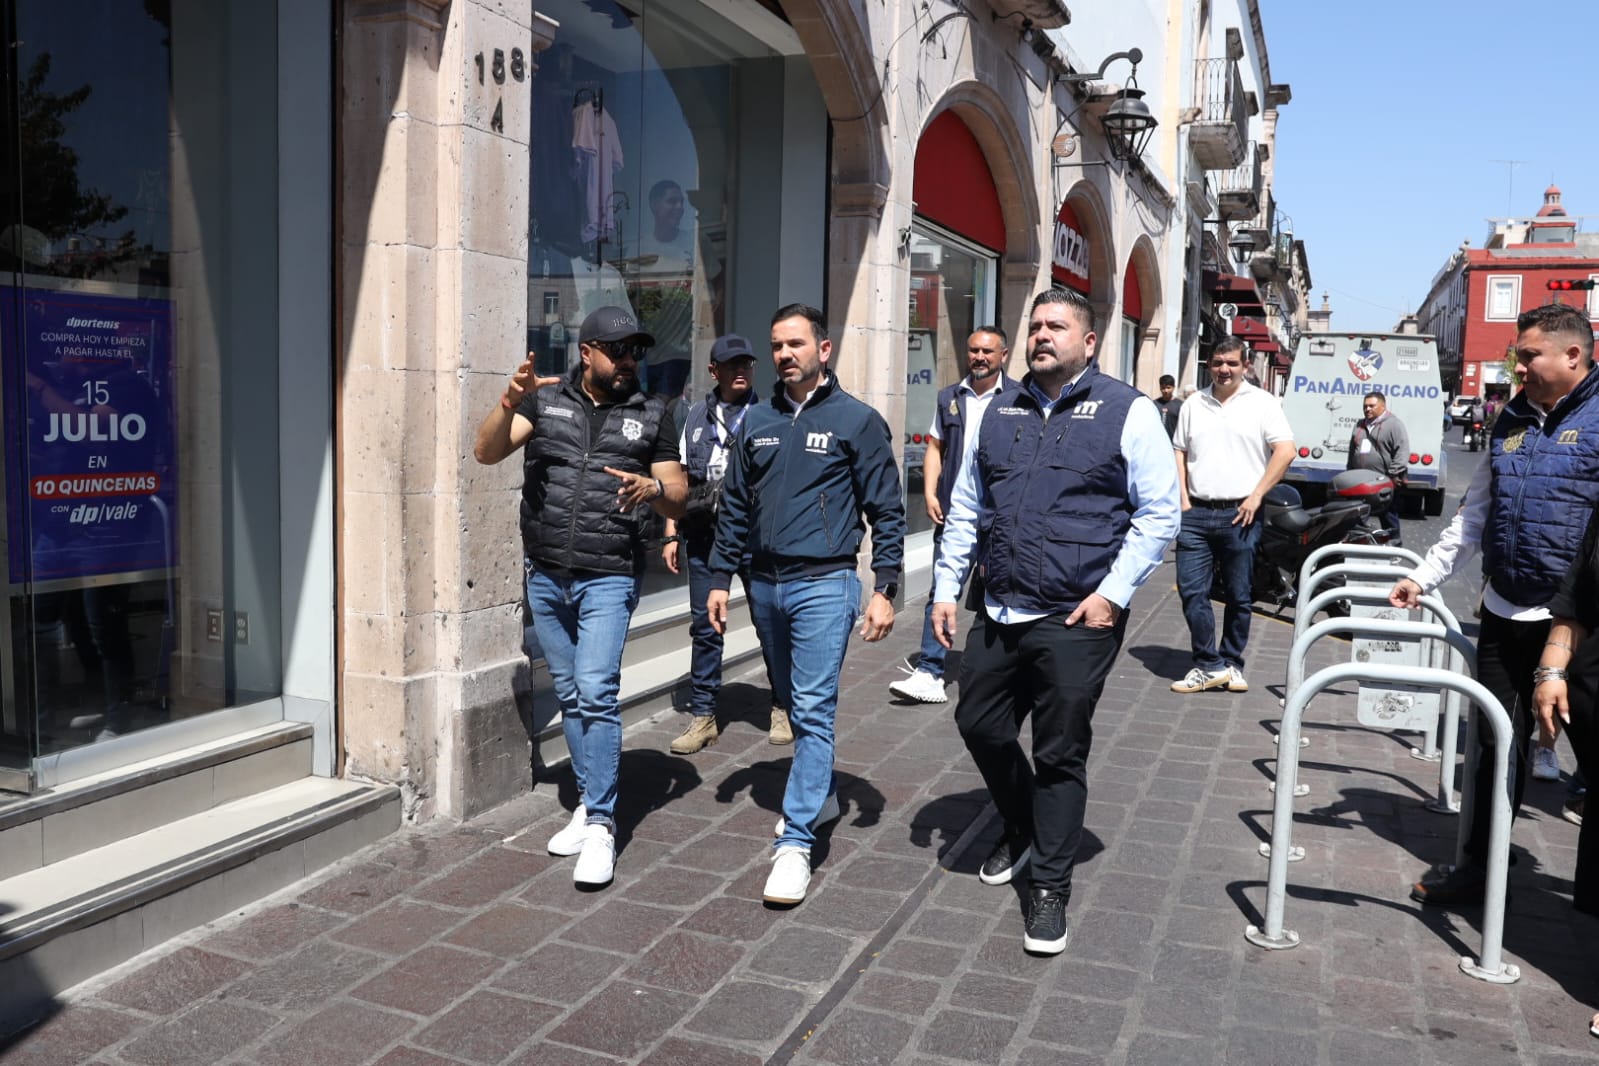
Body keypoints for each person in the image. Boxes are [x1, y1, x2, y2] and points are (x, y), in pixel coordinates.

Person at [931, 288, 1180, 955]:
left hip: (1075, 613)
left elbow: (1159, 512)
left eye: (1057, 326)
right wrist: (946, 588)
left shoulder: (1127, 410)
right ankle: (1023, 825)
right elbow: (967, 505)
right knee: (978, 723)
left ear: (1089, 341)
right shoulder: (999, 409)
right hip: (1000, 603)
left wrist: (1112, 595)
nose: (1041, 335)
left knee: (1058, 751)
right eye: (1035, 325)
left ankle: (1048, 886)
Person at [1393, 302, 1599, 907]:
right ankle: (1481, 864)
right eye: (1518, 355)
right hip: (1506, 610)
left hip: (1581, 625)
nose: (1519, 366)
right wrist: (1424, 576)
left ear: (1573, 355)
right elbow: (1475, 512)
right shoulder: (1510, 416)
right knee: (1491, 745)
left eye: (1530, 355)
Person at [473, 306, 686, 888]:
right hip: (546, 575)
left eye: (634, 351)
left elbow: (678, 495)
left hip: (610, 574)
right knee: (569, 694)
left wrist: (654, 489)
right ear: (586, 352)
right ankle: (590, 802)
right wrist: (509, 401)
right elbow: (486, 452)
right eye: (616, 351)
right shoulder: (544, 403)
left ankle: (601, 825)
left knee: (595, 691)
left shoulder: (654, 413)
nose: (628, 361)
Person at [707, 303, 905, 906]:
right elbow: (734, 504)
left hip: (825, 581)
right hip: (763, 584)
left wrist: (885, 587)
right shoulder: (758, 421)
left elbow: (887, 509)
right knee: (793, 702)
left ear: (823, 349)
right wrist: (719, 577)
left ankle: (795, 843)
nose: (784, 354)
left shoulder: (856, 421)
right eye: (777, 345)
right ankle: (819, 796)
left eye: (795, 343)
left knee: (814, 708)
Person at [663, 334, 789, 753]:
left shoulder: (770, 414)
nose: (740, 371)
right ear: (713, 371)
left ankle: (782, 705)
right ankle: (703, 716)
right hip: (705, 537)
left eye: (746, 364)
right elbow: (681, 479)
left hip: (756, 539)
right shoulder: (695, 415)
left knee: (768, 623)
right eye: (731, 364)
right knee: (705, 627)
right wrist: (671, 531)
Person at [888, 326, 1017, 704]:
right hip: (953, 513)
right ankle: (930, 671)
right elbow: (935, 446)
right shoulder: (950, 397)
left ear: (1004, 355)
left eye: (987, 351)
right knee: (942, 589)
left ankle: (995, 670)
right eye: (974, 350)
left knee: (997, 591)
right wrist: (930, 491)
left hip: (999, 515)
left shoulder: (1018, 398)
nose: (979, 357)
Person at [1169, 338, 1296, 693]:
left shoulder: (1263, 403)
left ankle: (1232, 663)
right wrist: (1182, 498)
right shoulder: (1194, 403)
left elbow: (1286, 451)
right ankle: (1208, 664)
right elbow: (1179, 450)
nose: (1224, 369)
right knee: (1192, 592)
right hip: (1195, 513)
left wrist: (1257, 496)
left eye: (1232, 363)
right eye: (1217, 362)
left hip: (1241, 513)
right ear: (1209, 364)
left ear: (1245, 366)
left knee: (1239, 595)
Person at [1346, 389, 1410, 544]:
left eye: (1371, 406)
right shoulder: (1359, 425)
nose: (1367, 409)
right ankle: (1359, 546)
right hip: (1361, 481)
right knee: (1358, 515)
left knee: (1388, 515)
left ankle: (1394, 546)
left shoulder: (1394, 424)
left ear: (1383, 406)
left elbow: (1402, 452)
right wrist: (1349, 473)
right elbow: (1352, 449)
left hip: (1384, 481)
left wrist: (1393, 475)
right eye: (1365, 406)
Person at [1153, 373, 1182, 439]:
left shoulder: (1180, 405)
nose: (1166, 391)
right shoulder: (1154, 404)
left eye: (1168, 388)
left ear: (1174, 387)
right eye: (1163, 388)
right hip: (1157, 441)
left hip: (1173, 442)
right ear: (1160, 388)